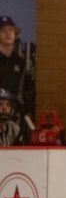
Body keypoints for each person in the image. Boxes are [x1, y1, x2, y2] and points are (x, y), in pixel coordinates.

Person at [0, 15, 34, 144]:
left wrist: (26, 109)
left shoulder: (20, 63)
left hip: (16, 117)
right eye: (3, 30)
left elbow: (28, 88)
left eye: (11, 30)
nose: (8, 34)